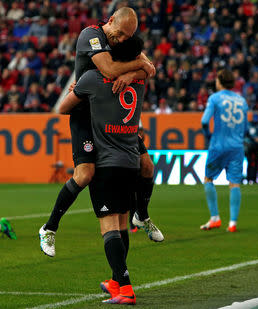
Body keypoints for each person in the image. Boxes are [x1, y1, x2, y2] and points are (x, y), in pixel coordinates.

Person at [39, 7, 163, 258]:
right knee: (85, 174)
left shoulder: (123, 42)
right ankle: (49, 227)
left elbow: (151, 69)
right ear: (109, 22)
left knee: (147, 166)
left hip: (110, 114)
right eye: (118, 34)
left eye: (127, 37)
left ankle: (142, 215)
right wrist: (138, 64)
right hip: (85, 113)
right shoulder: (90, 36)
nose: (121, 40)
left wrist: (131, 73)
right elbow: (108, 70)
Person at [58, 35, 145, 305]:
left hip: (106, 162)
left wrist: (80, 90)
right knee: (121, 224)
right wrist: (135, 70)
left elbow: (63, 108)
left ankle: (125, 287)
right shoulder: (140, 79)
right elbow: (146, 67)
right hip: (131, 161)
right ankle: (116, 281)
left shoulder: (93, 79)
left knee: (108, 228)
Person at [200, 69, 248, 233]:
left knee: (208, 179)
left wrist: (208, 136)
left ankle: (215, 218)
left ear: (219, 82)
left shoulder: (215, 98)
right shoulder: (242, 101)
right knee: (234, 183)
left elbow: (204, 121)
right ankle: (232, 223)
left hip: (218, 145)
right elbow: (245, 127)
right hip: (237, 147)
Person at [244, 113, 258, 184]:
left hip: (257, 147)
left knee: (256, 163)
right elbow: (245, 135)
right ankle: (248, 178)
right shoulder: (249, 125)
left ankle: (255, 179)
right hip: (249, 146)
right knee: (250, 162)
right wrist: (253, 139)